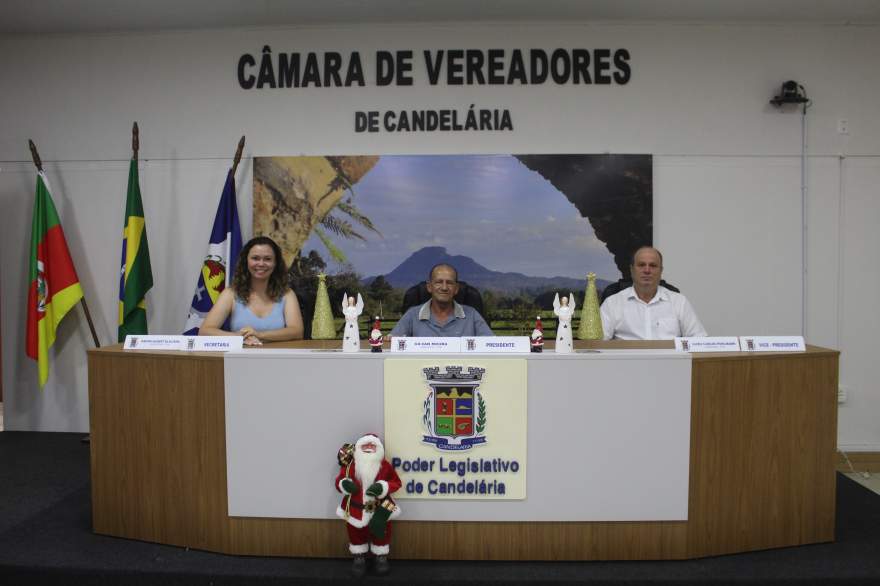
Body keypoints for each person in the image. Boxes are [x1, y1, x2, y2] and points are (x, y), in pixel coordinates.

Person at [199, 236, 304, 345]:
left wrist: (259, 335)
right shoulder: (230, 294)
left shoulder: (287, 294)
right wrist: (238, 338)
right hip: (239, 359)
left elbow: (297, 332)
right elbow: (205, 331)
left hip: (278, 359)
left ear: (275, 263)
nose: (261, 263)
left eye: (268, 259)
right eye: (255, 258)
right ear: (246, 261)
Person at [600, 246, 706, 340]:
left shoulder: (679, 301)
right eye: (641, 265)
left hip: (669, 361)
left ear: (661, 271)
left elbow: (699, 340)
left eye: (653, 265)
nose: (647, 270)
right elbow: (598, 344)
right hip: (626, 362)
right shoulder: (612, 303)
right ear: (632, 270)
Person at [335, 433, 401, 577]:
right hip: (355, 507)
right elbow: (339, 481)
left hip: (381, 506)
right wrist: (345, 484)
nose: (369, 448)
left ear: (379, 449)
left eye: (373, 445)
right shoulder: (350, 466)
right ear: (359, 448)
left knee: (382, 531)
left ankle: (380, 556)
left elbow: (396, 482)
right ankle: (359, 557)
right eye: (366, 445)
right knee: (355, 531)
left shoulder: (385, 466)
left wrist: (383, 487)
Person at [389, 263, 493, 337]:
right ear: (429, 287)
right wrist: (388, 341)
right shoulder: (412, 315)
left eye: (449, 283)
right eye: (439, 282)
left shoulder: (472, 315)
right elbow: (390, 345)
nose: (444, 287)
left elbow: (492, 346)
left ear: (456, 289)